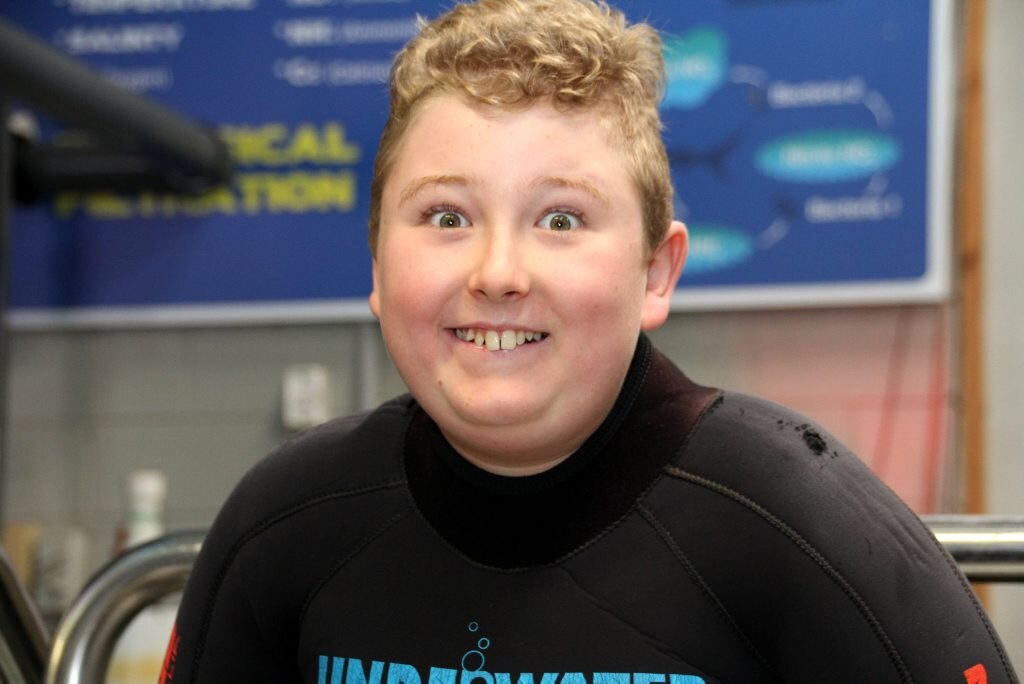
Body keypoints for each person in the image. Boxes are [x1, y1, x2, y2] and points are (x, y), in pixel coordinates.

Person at [161, 1, 1018, 682]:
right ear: (379, 265)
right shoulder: (282, 531)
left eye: (561, 218)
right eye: (446, 216)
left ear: (656, 273)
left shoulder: (803, 531)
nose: (498, 271)